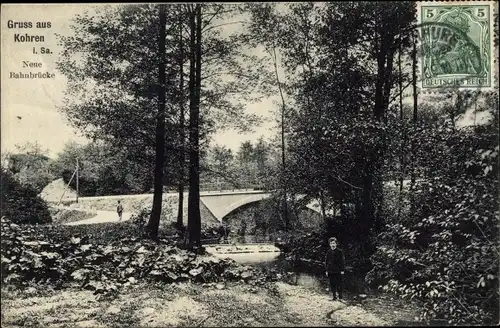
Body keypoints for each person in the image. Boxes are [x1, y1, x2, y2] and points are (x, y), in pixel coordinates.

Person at [325, 237, 345, 301]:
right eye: (331, 243)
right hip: (331, 270)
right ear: (329, 244)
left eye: (334, 243)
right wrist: (327, 270)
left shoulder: (339, 252)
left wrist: (342, 270)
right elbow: (326, 262)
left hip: (338, 271)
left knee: (339, 284)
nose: (333, 245)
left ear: (336, 244)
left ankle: (340, 297)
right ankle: (334, 297)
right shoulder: (328, 252)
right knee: (332, 284)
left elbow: (342, 261)